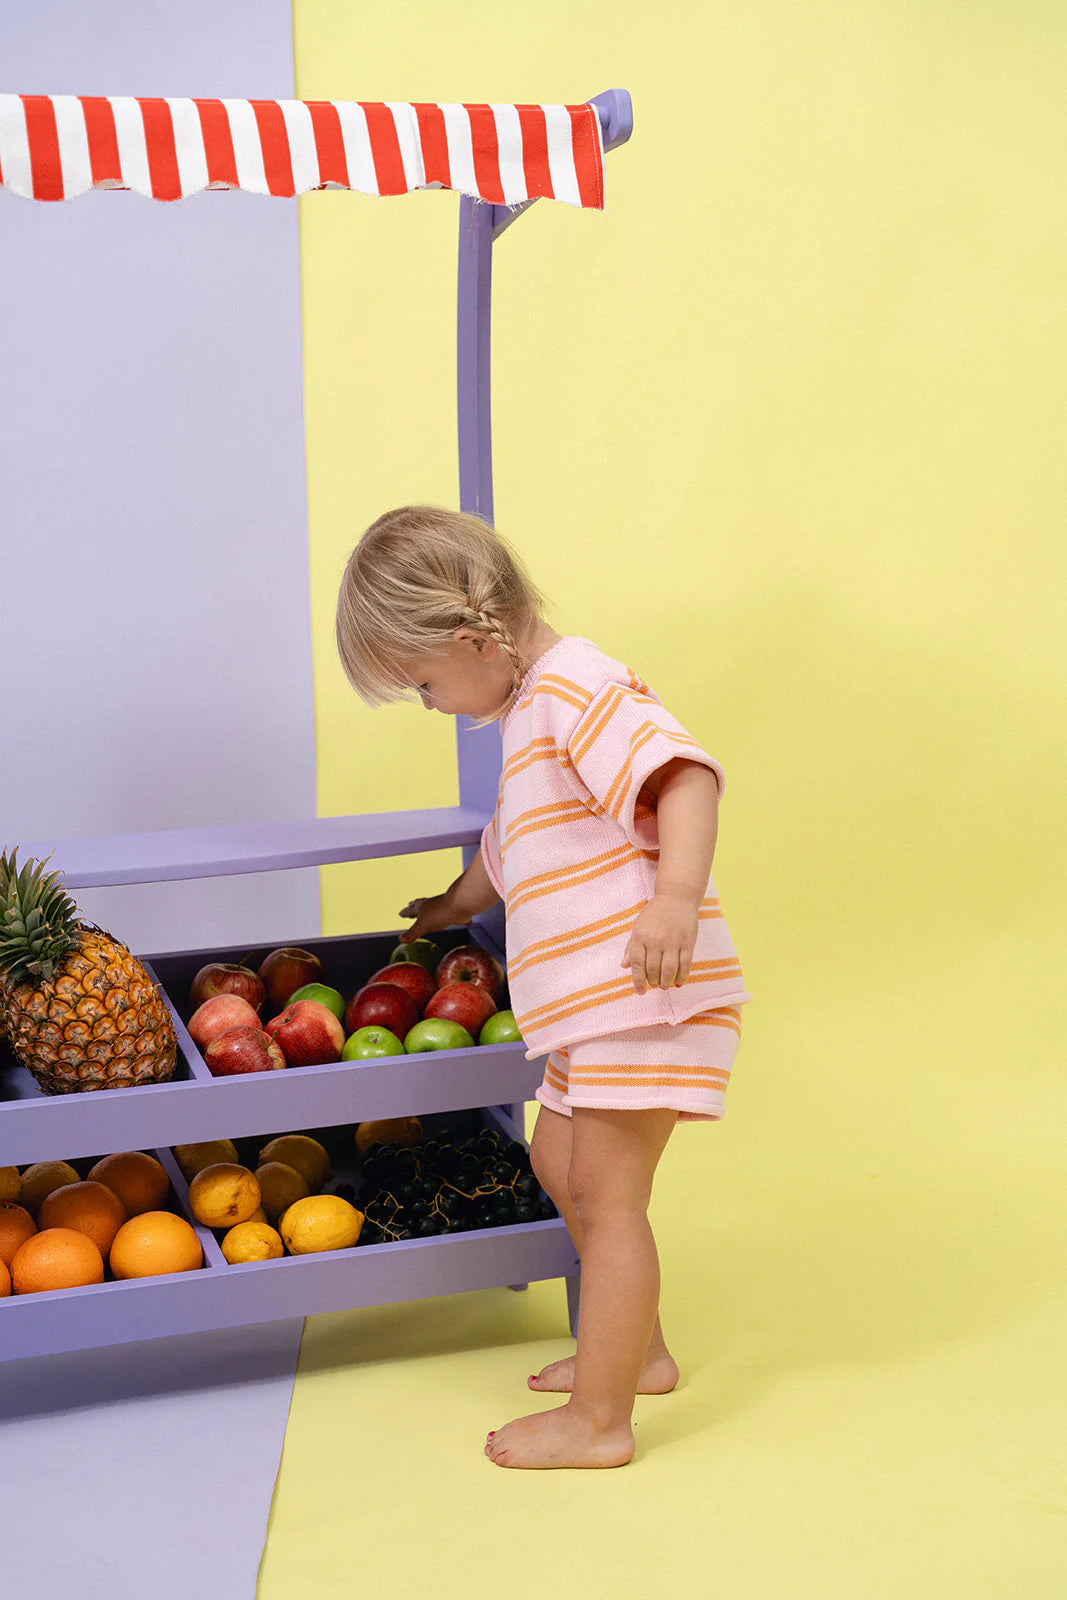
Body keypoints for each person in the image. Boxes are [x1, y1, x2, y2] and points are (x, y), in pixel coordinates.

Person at [335, 504, 751, 1470]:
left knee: (608, 1203)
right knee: (562, 1170)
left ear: (469, 635)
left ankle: (600, 1422)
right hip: (592, 1014)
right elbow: (511, 842)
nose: (432, 704)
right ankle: (631, 1351)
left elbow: (683, 777)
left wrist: (676, 900)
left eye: (424, 682)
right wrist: (455, 901)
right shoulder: (527, 718)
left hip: (646, 994)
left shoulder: (576, 685)